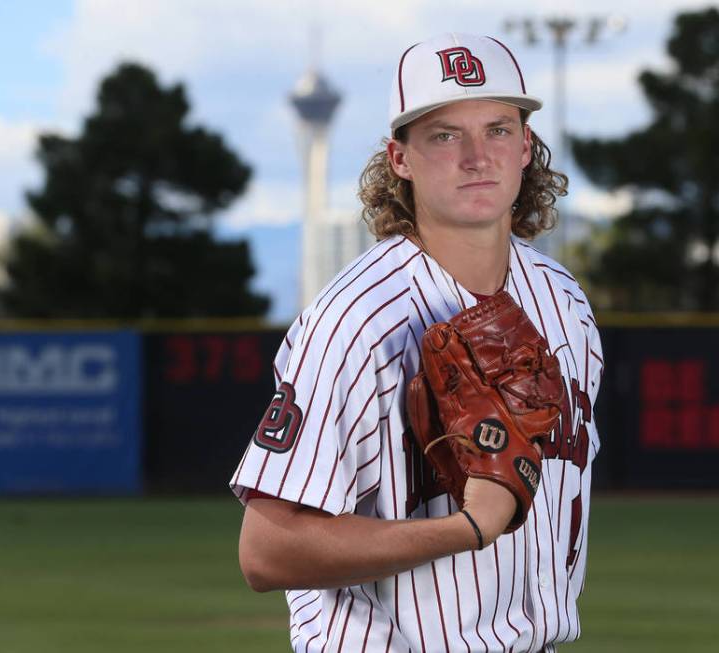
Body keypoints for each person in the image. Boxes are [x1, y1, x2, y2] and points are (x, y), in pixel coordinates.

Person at [232, 32, 603, 652]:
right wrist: (467, 528)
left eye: (499, 129)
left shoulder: (564, 303)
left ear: (527, 148)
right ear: (398, 158)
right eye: (444, 135)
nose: (477, 157)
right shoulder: (356, 322)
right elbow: (268, 552)